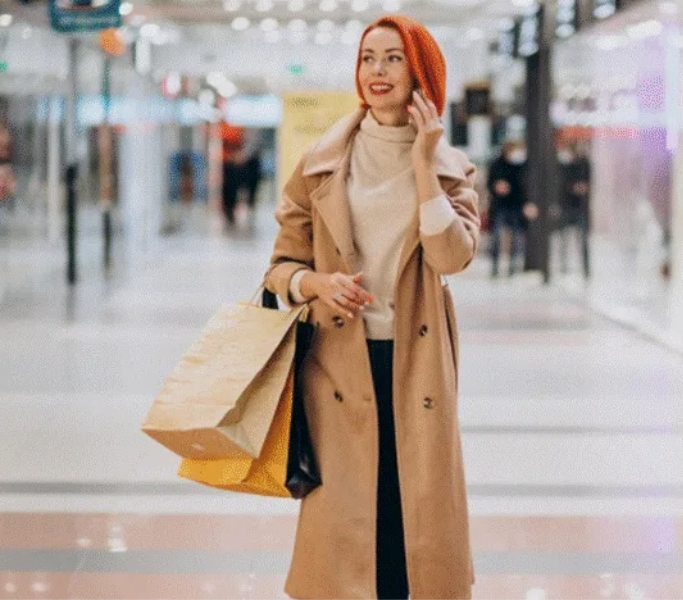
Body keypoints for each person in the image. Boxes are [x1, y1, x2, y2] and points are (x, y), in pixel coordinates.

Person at [263, 15, 479, 600]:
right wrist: (316, 284)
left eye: (393, 59)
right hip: (338, 362)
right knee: (351, 520)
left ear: (420, 73)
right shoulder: (321, 163)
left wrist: (425, 168)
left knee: (412, 512)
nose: (377, 72)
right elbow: (280, 268)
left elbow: (452, 256)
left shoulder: (451, 168)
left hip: (418, 363)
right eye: (367, 58)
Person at [486, 141, 528, 277]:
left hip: (516, 206)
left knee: (516, 238)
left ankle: (512, 267)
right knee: (496, 237)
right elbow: (490, 182)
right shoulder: (497, 164)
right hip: (499, 206)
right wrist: (496, 187)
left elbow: (524, 186)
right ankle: (495, 268)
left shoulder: (520, 166)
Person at [557, 142, 591, 278]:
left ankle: (586, 267)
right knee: (564, 239)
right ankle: (563, 266)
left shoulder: (585, 165)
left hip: (580, 207)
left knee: (582, 239)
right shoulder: (565, 166)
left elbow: (588, 183)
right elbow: (561, 185)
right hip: (567, 206)